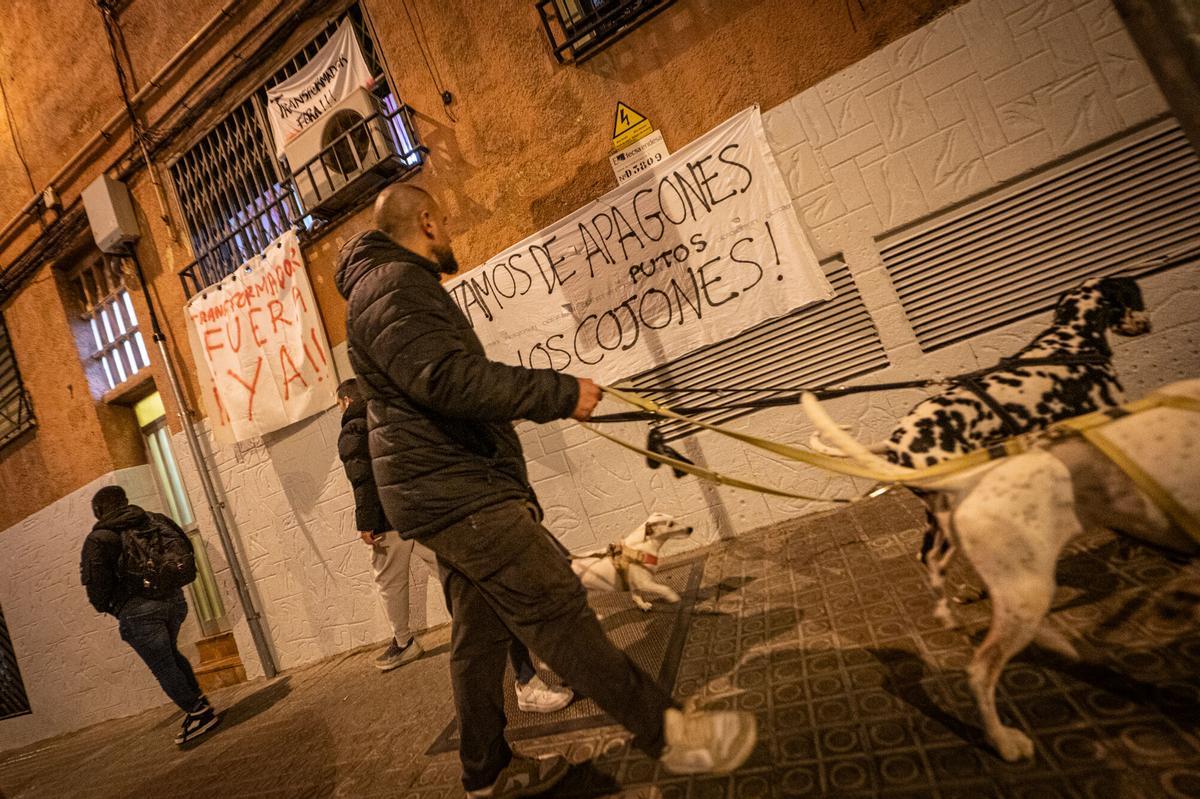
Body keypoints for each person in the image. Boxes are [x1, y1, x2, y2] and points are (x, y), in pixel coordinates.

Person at [334, 184, 756, 797]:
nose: (448, 234)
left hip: (438, 491)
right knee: (557, 612)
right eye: (445, 222)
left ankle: (486, 773)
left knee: (477, 639)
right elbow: (446, 380)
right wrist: (559, 393)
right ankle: (674, 738)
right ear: (426, 221)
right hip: (457, 492)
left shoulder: (377, 286)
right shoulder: (396, 283)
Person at [336, 378, 574, 712]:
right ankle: (527, 680)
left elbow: (364, 478)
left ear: (345, 400)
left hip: (420, 520)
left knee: (456, 599)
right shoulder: (390, 411)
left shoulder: (367, 422)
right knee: (482, 598)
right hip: (439, 519)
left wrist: (369, 521)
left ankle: (407, 643)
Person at [79, 485, 219, 746]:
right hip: (174, 602)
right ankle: (199, 705)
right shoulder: (153, 520)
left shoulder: (99, 539)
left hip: (138, 612)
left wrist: (113, 607)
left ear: (99, 510)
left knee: (163, 665)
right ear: (125, 501)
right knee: (172, 656)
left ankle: (198, 712)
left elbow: (96, 586)